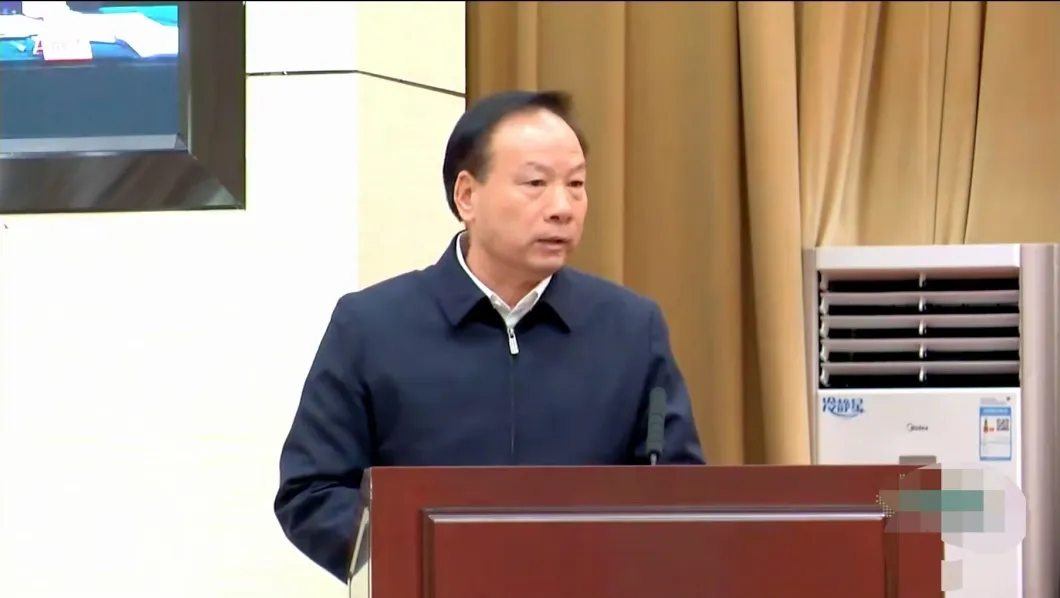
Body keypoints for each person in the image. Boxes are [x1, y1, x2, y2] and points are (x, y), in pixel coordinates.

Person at [274, 90, 706, 582]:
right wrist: (429, 555)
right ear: (466, 196)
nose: (562, 207)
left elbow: (681, 493)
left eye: (576, 184)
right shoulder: (371, 326)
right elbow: (312, 491)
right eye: (536, 183)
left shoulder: (630, 327)